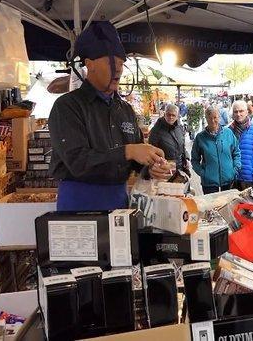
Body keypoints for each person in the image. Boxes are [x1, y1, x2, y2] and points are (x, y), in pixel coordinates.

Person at [49, 21, 169, 211]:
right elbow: (78, 161)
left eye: (121, 62)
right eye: (111, 61)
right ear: (90, 65)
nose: (119, 68)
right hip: (78, 206)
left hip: (118, 204)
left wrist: (151, 168)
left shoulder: (125, 110)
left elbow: (136, 162)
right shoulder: (67, 106)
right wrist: (128, 151)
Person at [191, 106, 242, 194]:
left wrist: (235, 169)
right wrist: (203, 173)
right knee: (211, 207)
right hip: (209, 183)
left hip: (228, 179)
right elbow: (194, 159)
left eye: (215, 117)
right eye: (209, 118)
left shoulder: (228, 133)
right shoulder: (200, 137)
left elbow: (236, 152)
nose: (213, 120)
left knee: (228, 206)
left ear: (219, 117)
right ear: (206, 118)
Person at [229, 100, 253, 190]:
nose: (238, 114)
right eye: (236, 111)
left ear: (247, 112)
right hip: (233, 177)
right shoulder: (228, 130)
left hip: (249, 178)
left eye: (241, 111)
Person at [148, 104, 190, 176]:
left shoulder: (179, 128)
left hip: (180, 167)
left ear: (177, 116)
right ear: (164, 114)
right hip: (165, 169)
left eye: (173, 115)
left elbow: (183, 147)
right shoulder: (156, 130)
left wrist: (187, 159)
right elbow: (151, 151)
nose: (171, 117)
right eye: (168, 114)